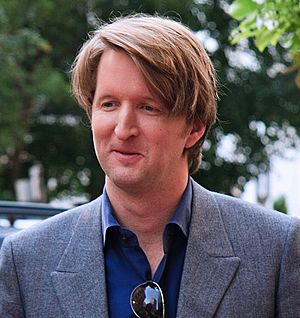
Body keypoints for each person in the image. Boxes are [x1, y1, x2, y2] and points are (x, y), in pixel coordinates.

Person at [0, 14, 300, 318]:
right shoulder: (24, 261)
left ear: (194, 128)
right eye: (109, 104)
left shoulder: (276, 250)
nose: (123, 129)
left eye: (148, 107)